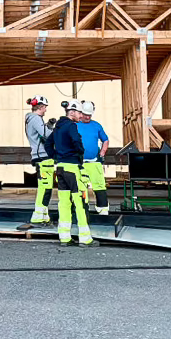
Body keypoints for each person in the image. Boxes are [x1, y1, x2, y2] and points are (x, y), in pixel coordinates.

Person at [44, 100, 99, 248]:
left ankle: (64, 237)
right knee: (80, 203)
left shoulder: (58, 127)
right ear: (72, 112)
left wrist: (56, 156)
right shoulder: (71, 126)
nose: (81, 116)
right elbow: (77, 142)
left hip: (60, 168)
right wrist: (79, 154)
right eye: (80, 113)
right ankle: (85, 239)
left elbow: (47, 144)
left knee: (64, 204)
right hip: (73, 169)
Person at [25, 95, 55, 225]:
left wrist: (48, 124)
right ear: (41, 107)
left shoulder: (31, 119)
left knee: (45, 188)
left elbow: (41, 132)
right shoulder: (36, 119)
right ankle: (38, 217)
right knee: (45, 188)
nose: (46, 110)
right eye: (45, 108)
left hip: (40, 156)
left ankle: (43, 216)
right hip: (43, 157)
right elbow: (46, 135)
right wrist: (57, 129)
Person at [77, 100, 110, 215]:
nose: (87, 117)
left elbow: (105, 140)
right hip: (80, 163)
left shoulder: (96, 125)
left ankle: (103, 209)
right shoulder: (74, 125)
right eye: (85, 115)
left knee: (100, 185)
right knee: (81, 188)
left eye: (89, 115)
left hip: (94, 162)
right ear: (80, 113)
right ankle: (83, 210)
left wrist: (102, 152)